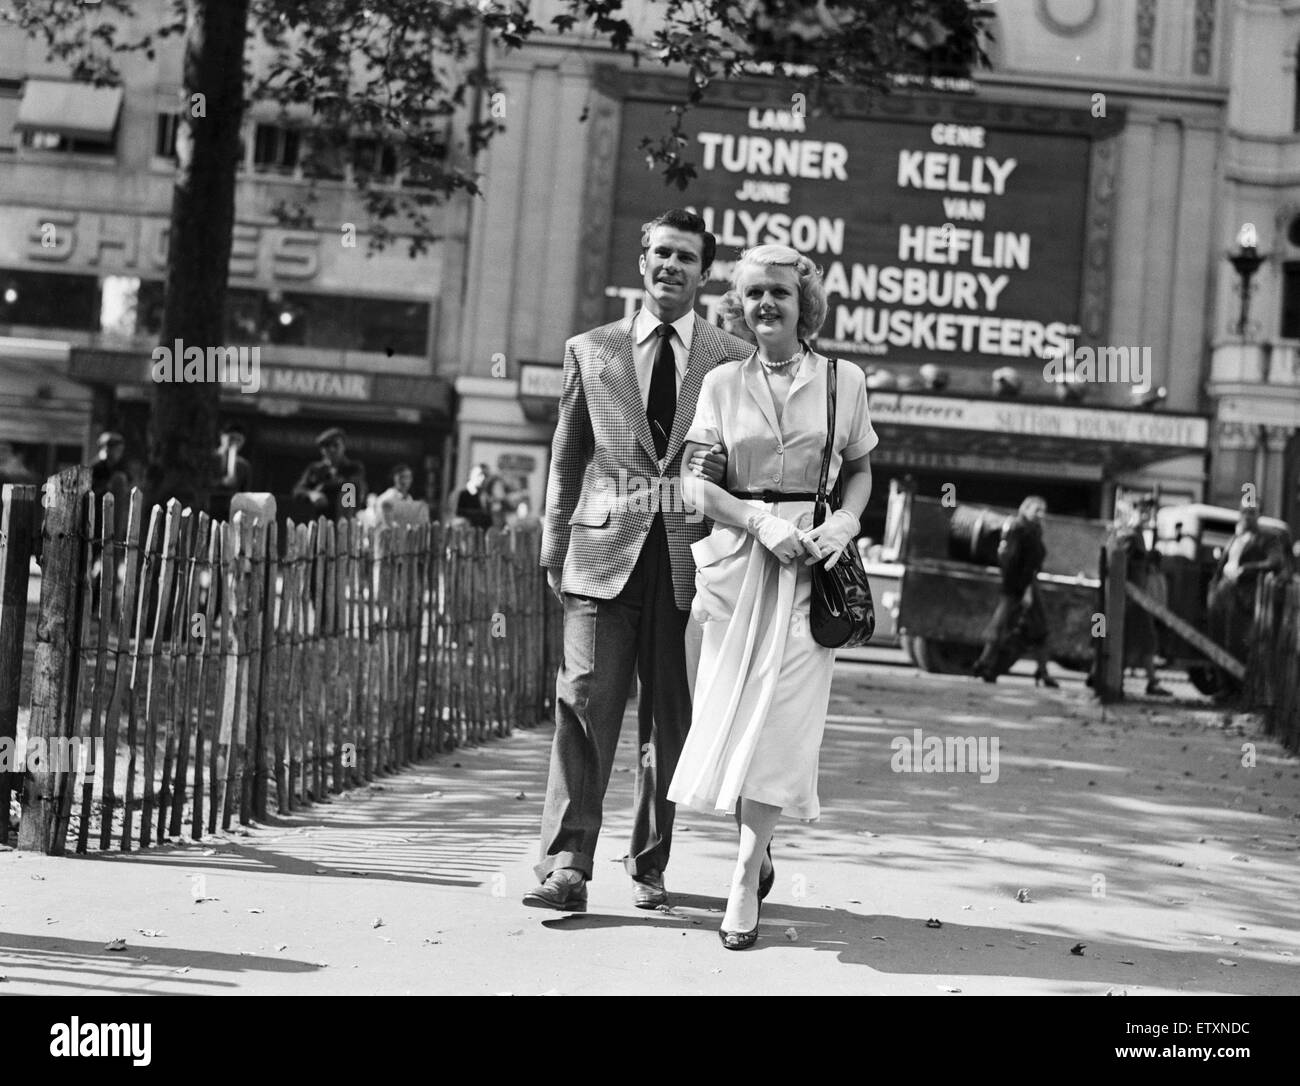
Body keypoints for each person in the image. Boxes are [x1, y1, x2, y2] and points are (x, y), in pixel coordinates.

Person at [523, 208, 752, 914]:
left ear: (705, 272)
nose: (671, 266)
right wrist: (552, 544)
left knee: (670, 719)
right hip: (600, 551)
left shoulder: (729, 357)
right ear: (641, 260)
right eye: (661, 253)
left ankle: (650, 862)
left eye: (687, 257)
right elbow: (568, 459)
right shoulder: (589, 349)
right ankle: (567, 863)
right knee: (584, 702)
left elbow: (742, 466)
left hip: (692, 558)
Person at [667, 244, 877, 950]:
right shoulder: (722, 383)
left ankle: (742, 875)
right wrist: (757, 520)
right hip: (735, 565)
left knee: (782, 727)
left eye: (780, 294)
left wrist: (841, 526)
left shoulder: (844, 381)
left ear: (803, 303)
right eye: (753, 293)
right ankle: (752, 848)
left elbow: (860, 473)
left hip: (809, 574)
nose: (766, 304)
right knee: (735, 722)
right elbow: (697, 483)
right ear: (738, 303)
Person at [972, 495, 1057, 686]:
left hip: (1026, 584)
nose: (1041, 514)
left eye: (1043, 510)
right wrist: (1025, 590)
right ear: (1025, 509)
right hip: (1017, 586)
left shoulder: (1033, 530)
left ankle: (987, 664)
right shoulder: (1019, 529)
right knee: (1004, 626)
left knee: (1033, 628)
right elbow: (1012, 561)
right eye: (1037, 510)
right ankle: (985, 664)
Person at [1207, 495, 1287, 676]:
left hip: (1246, 598)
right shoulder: (1236, 537)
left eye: (1252, 512)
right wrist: (1213, 588)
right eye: (1244, 512)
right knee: (1220, 640)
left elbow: (1275, 561)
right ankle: (1224, 685)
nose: (1247, 516)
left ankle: (1238, 686)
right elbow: (1222, 565)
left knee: (1238, 643)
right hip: (1223, 595)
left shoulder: (1268, 537)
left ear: (1259, 514)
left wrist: (1245, 569)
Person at [1107, 500, 1171, 696]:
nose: (1146, 516)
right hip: (1131, 597)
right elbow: (1120, 563)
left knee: (1138, 641)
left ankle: (1107, 678)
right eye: (1142, 512)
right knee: (1139, 640)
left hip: (1130, 596)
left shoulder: (1129, 534)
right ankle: (1109, 679)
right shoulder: (1129, 535)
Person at [292, 427, 367, 520]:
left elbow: (353, 488)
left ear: (344, 446)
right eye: (327, 445)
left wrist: (324, 488)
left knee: (348, 489)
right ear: (321, 449)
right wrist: (311, 494)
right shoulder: (314, 469)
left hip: (344, 521)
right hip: (319, 520)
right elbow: (298, 490)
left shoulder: (354, 468)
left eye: (335, 445)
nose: (331, 449)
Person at [89, 430, 132, 542]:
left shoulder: (117, 467)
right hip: (96, 517)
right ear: (108, 449)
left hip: (111, 515)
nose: (119, 454)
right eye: (117, 450)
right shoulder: (96, 467)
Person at [210, 422, 252, 522]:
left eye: (239, 440)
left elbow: (245, 492)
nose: (235, 443)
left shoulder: (244, 466)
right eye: (232, 438)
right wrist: (221, 482)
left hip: (231, 512)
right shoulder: (211, 458)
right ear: (222, 436)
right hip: (209, 507)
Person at [455, 463, 493, 529]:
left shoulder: (484, 493)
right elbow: (457, 512)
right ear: (471, 475)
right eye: (480, 475)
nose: (483, 478)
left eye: (485, 475)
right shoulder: (462, 492)